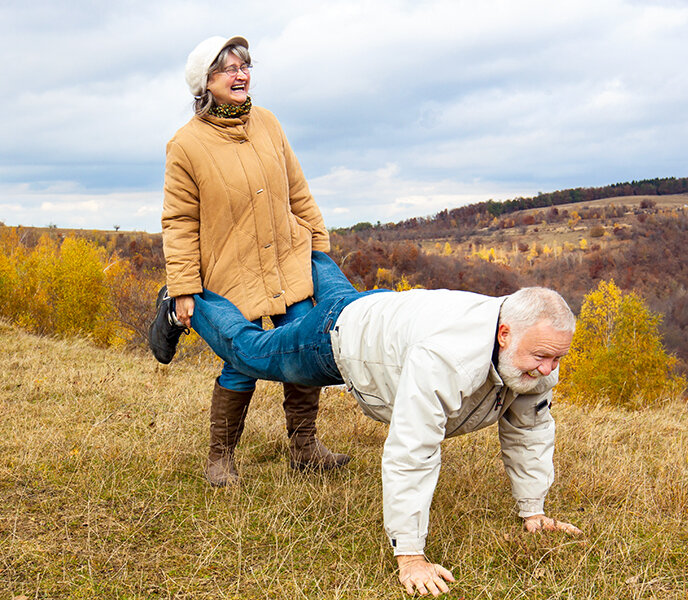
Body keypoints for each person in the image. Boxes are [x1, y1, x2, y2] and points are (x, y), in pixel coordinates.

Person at [151, 251, 583, 596]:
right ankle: (182, 299)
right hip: (335, 339)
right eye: (541, 356)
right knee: (250, 351)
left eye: (557, 358)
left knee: (338, 290)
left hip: (375, 307)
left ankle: (304, 241)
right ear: (504, 333)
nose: (548, 370)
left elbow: (530, 430)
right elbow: (412, 451)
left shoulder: (531, 358)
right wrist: (411, 556)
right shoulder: (447, 359)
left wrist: (534, 511)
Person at [151, 35, 349, 487]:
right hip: (230, 269)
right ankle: (219, 459)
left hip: (286, 260)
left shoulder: (269, 123)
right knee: (241, 360)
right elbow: (179, 221)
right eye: (227, 69)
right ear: (205, 83)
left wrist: (318, 246)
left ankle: (304, 448)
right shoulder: (185, 145)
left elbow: (297, 189)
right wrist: (183, 285)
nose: (240, 75)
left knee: (305, 343)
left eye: (244, 66)